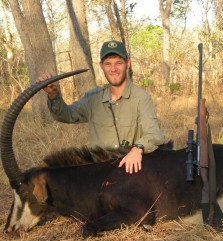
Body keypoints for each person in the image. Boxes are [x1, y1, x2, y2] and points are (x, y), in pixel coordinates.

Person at [38, 40, 165, 174]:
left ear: (128, 64)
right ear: (101, 66)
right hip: (100, 173)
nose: (113, 69)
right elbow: (65, 115)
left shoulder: (141, 97)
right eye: (108, 64)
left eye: (119, 63)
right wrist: (53, 94)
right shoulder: (93, 98)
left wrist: (137, 149)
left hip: (131, 171)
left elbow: (154, 134)